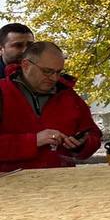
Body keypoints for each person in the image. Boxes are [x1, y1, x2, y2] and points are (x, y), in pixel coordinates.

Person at [0, 41, 102, 173]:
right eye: (47, 71)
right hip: (10, 187)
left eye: (58, 72)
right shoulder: (3, 91)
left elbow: (94, 136)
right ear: (25, 65)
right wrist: (33, 141)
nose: (54, 78)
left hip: (61, 185)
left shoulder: (70, 97)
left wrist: (81, 145)